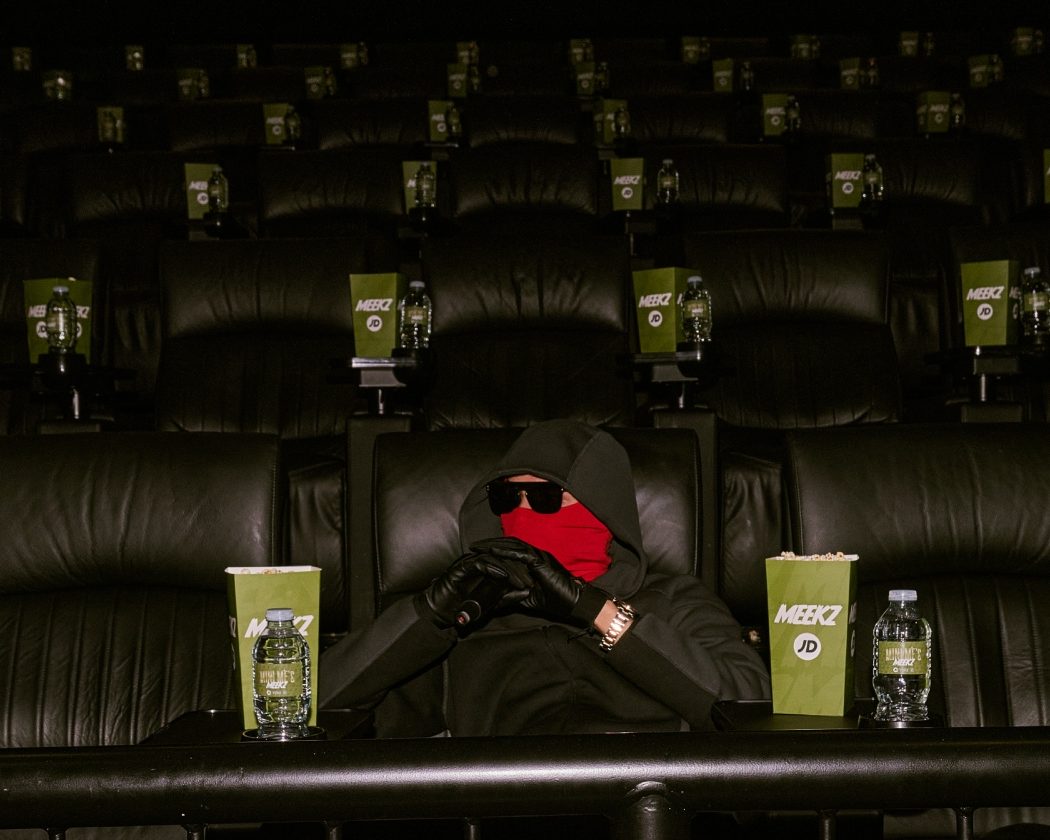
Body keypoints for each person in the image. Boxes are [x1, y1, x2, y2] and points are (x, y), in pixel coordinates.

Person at [319, 419, 769, 736]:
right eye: (506, 497)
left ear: (602, 506)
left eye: (546, 497)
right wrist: (426, 616)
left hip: (647, 808)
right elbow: (318, 706)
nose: (521, 514)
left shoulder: (674, 600)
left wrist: (596, 611)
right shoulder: (468, 621)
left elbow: (749, 705)